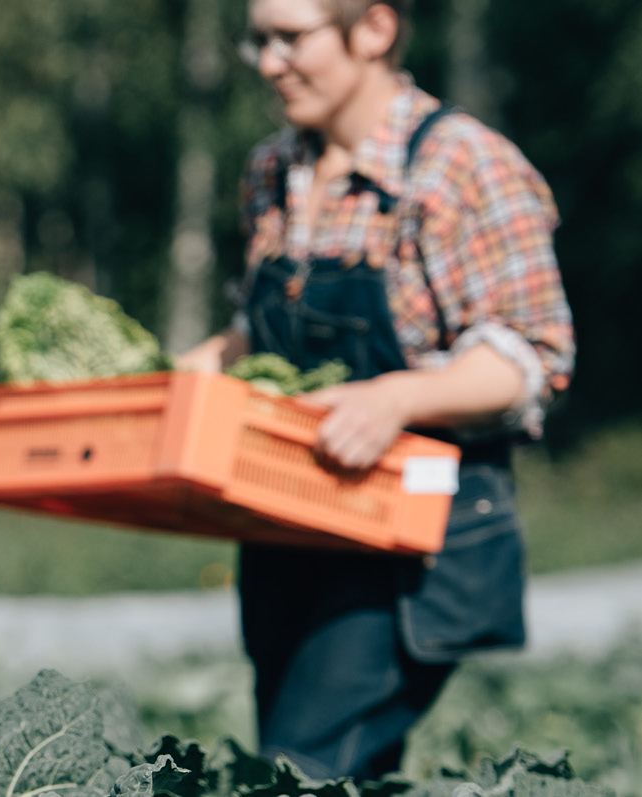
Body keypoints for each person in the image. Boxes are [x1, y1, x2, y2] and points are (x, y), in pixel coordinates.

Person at [175, 0, 575, 782]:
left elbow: (531, 355)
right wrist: (181, 374)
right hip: (287, 527)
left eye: (291, 38)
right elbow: (263, 329)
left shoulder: (462, 165)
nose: (267, 63)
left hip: (412, 543)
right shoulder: (269, 172)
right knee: (321, 771)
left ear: (373, 30)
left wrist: (392, 399)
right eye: (258, 40)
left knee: (299, 766)